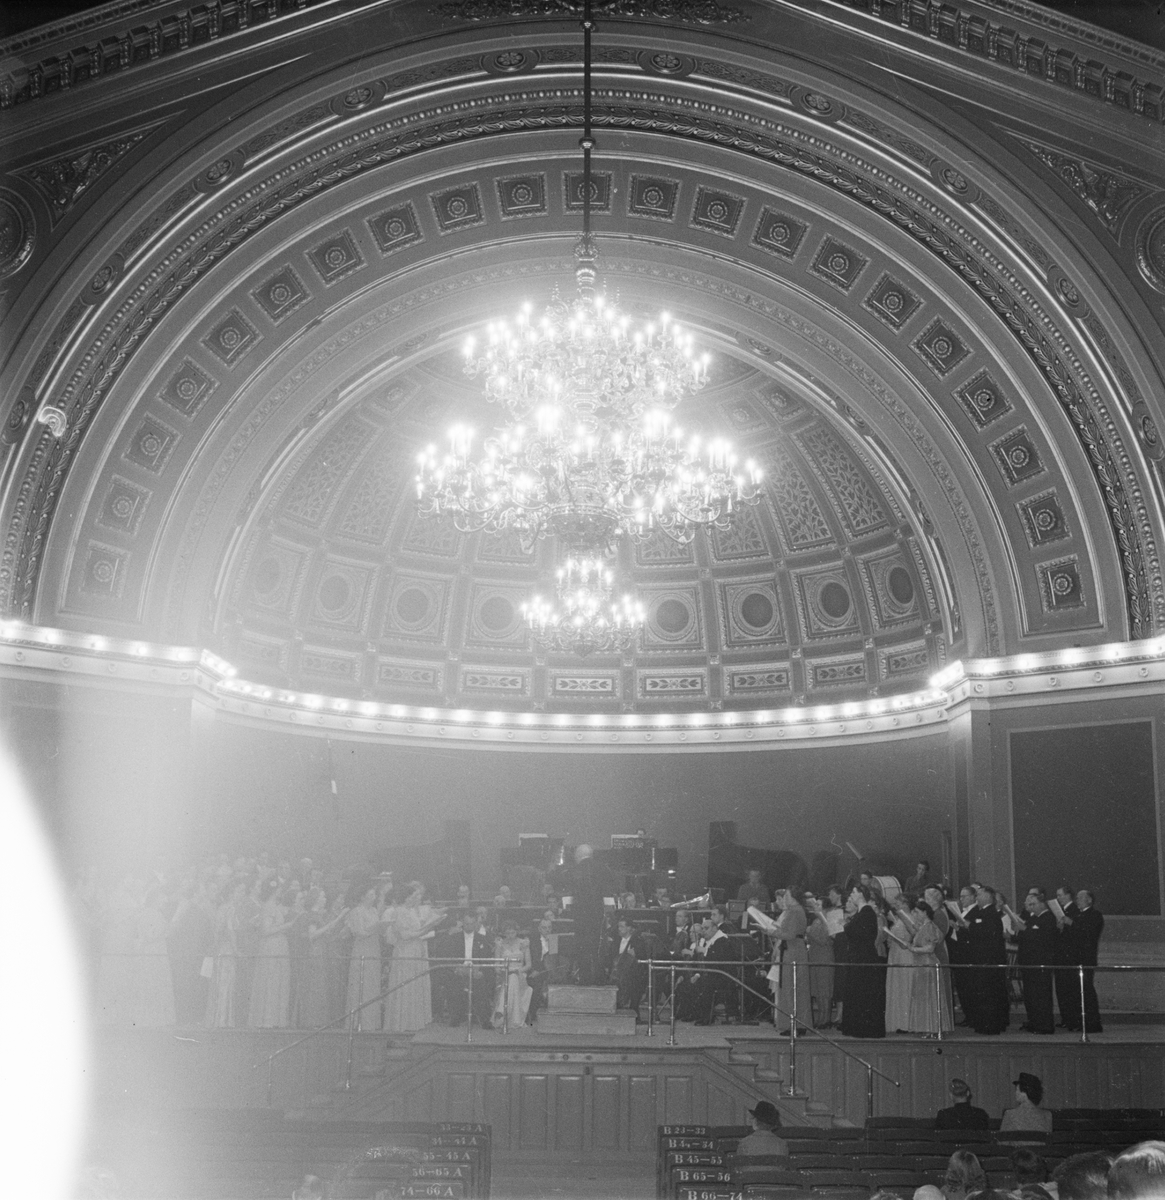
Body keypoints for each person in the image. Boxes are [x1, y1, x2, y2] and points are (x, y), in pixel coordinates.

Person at [384, 880, 444, 1033]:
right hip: (405, 951)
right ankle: (401, 1025)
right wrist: (425, 930)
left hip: (416, 949)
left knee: (415, 986)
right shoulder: (398, 912)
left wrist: (429, 925)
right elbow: (404, 935)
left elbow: (418, 929)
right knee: (405, 985)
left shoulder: (411, 911)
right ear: (405, 897)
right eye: (411, 897)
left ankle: (413, 1023)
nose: (414, 900)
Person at [839, 884, 885, 1038]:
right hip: (857, 956)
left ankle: (863, 1028)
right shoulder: (862, 912)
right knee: (857, 992)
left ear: (861, 894)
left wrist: (847, 926)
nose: (851, 894)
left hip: (863, 957)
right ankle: (856, 1027)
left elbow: (861, 934)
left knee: (862, 993)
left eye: (853, 892)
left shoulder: (867, 912)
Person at [963, 885, 1009, 1034]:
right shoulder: (980, 911)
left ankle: (991, 1025)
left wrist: (971, 926)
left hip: (989, 959)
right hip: (980, 958)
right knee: (982, 993)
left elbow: (987, 933)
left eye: (979, 894)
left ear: (988, 897)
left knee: (989, 993)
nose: (977, 897)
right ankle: (983, 1023)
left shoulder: (991, 913)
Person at [248, 882, 294, 1028]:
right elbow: (265, 931)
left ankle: (275, 1019)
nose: (281, 892)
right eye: (280, 889)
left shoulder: (274, 906)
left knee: (277, 980)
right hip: (271, 946)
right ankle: (267, 1019)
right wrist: (287, 926)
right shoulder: (268, 906)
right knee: (271, 980)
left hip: (279, 946)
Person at [439, 911, 495, 1029]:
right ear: (463, 924)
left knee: (481, 986)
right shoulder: (453, 939)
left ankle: (484, 1019)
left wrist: (481, 971)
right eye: (467, 924)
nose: (469, 926)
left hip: (476, 970)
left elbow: (487, 959)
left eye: (472, 924)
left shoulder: (483, 939)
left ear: (476, 924)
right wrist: (456, 969)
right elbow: (449, 957)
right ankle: (455, 1017)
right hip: (459, 970)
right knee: (454, 984)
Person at [904, 899, 952, 1035]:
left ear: (925, 912)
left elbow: (930, 948)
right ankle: (927, 1027)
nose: (915, 915)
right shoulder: (923, 927)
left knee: (929, 997)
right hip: (921, 964)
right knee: (923, 997)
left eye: (917, 912)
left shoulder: (930, 926)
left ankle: (932, 1028)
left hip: (927, 964)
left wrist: (913, 949)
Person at [1014, 891, 1056, 1034]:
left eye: (1033, 904)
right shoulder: (1033, 918)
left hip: (1040, 963)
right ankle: (1034, 1022)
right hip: (1028, 962)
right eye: (1029, 904)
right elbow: (1025, 936)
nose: (1030, 907)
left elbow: (1043, 938)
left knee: (1041, 996)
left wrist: (1025, 930)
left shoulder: (1048, 918)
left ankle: (1044, 1025)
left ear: (1042, 904)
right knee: (1031, 996)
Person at [770, 889, 811, 1033]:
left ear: (793, 897)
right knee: (792, 986)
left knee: (791, 986)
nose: (784, 898)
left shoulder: (795, 911)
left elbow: (790, 934)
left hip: (793, 951)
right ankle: (794, 1024)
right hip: (792, 949)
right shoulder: (795, 910)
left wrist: (770, 931)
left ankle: (794, 1024)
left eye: (786, 895)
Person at [345, 885, 384, 1031]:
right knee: (362, 983)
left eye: (374, 894)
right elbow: (359, 932)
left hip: (374, 947)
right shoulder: (356, 911)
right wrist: (375, 927)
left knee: (372, 984)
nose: (373, 897)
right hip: (363, 948)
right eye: (371, 894)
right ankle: (358, 1023)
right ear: (363, 896)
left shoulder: (374, 910)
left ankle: (371, 1023)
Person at [566, 844, 606, 985]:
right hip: (597, 914)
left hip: (582, 916)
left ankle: (585, 979)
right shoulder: (601, 868)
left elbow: (576, 894)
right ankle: (599, 978)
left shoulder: (576, 870)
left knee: (582, 947)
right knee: (596, 947)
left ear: (578, 855)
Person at [884, 893, 917, 1033]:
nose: (896, 906)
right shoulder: (898, 919)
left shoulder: (910, 918)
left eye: (899, 903)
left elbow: (908, 940)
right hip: (895, 955)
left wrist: (894, 938)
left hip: (905, 955)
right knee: (897, 986)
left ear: (906, 904)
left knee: (905, 987)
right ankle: (897, 1022)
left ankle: (906, 1023)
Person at [1073, 889, 1104, 1033]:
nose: (1077, 900)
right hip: (1076, 957)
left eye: (1080, 897)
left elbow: (1089, 934)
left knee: (1087, 990)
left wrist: (1072, 924)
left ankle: (1093, 1023)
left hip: (1086, 958)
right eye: (1077, 898)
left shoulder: (1095, 915)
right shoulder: (1078, 915)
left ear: (1089, 900)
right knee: (1079, 992)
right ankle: (1082, 1022)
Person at [493, 918, 532, 1029]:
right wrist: (503, 971)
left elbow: (528, 965)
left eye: (513, 932)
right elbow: (496, 965)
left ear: (517, 932)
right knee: (511, 978)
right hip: (504, 974)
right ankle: (507, 1014)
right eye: (508, 933)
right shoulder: (500, 944)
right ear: (504, 933)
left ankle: (501, 1012)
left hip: (520, 974)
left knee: (514, 977)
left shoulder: (523, 943)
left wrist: (518, 971)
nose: (510, 935)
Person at [805, 893, 835, 1029]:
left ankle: (826, 1018)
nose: (815, 907)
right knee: (817, 989)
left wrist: (809, 932)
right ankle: (820, 1018)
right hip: (814, 955)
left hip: (824, 956)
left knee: (824, 989)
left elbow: (824, 940)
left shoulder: (828, 920)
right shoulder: (816, 920)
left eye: (818, 905)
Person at [1053, 885, 1081, 1028]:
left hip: (1069, 956)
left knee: (1070, 990)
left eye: (1060, 895)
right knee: (1062, 989)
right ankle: (1066, 1019)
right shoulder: (1062, 911)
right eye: (1057, 896)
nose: (1058, 898)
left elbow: (1078, 933)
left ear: (1069, 895)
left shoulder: (1074, 911)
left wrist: (1067, 925)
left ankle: (1073, 1020)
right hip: (1061, 956)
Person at [609, 916, 646, 1019]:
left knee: (635, 985)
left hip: (633, 974)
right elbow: (611, 958)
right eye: (618, 926)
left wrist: (636, 953)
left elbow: (643, 955)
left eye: (622, 926)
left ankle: (634, 1012)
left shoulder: (637, 941)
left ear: (630, 928)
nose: (619, 929)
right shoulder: (616, 941)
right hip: (618, 974)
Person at [1001, 1072, 1053, 1137]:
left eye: (1017, 1089)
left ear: (1024, 1092)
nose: (1016, 1093)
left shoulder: (1009, 1115)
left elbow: (1002, 1142)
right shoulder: (1047, 1116)